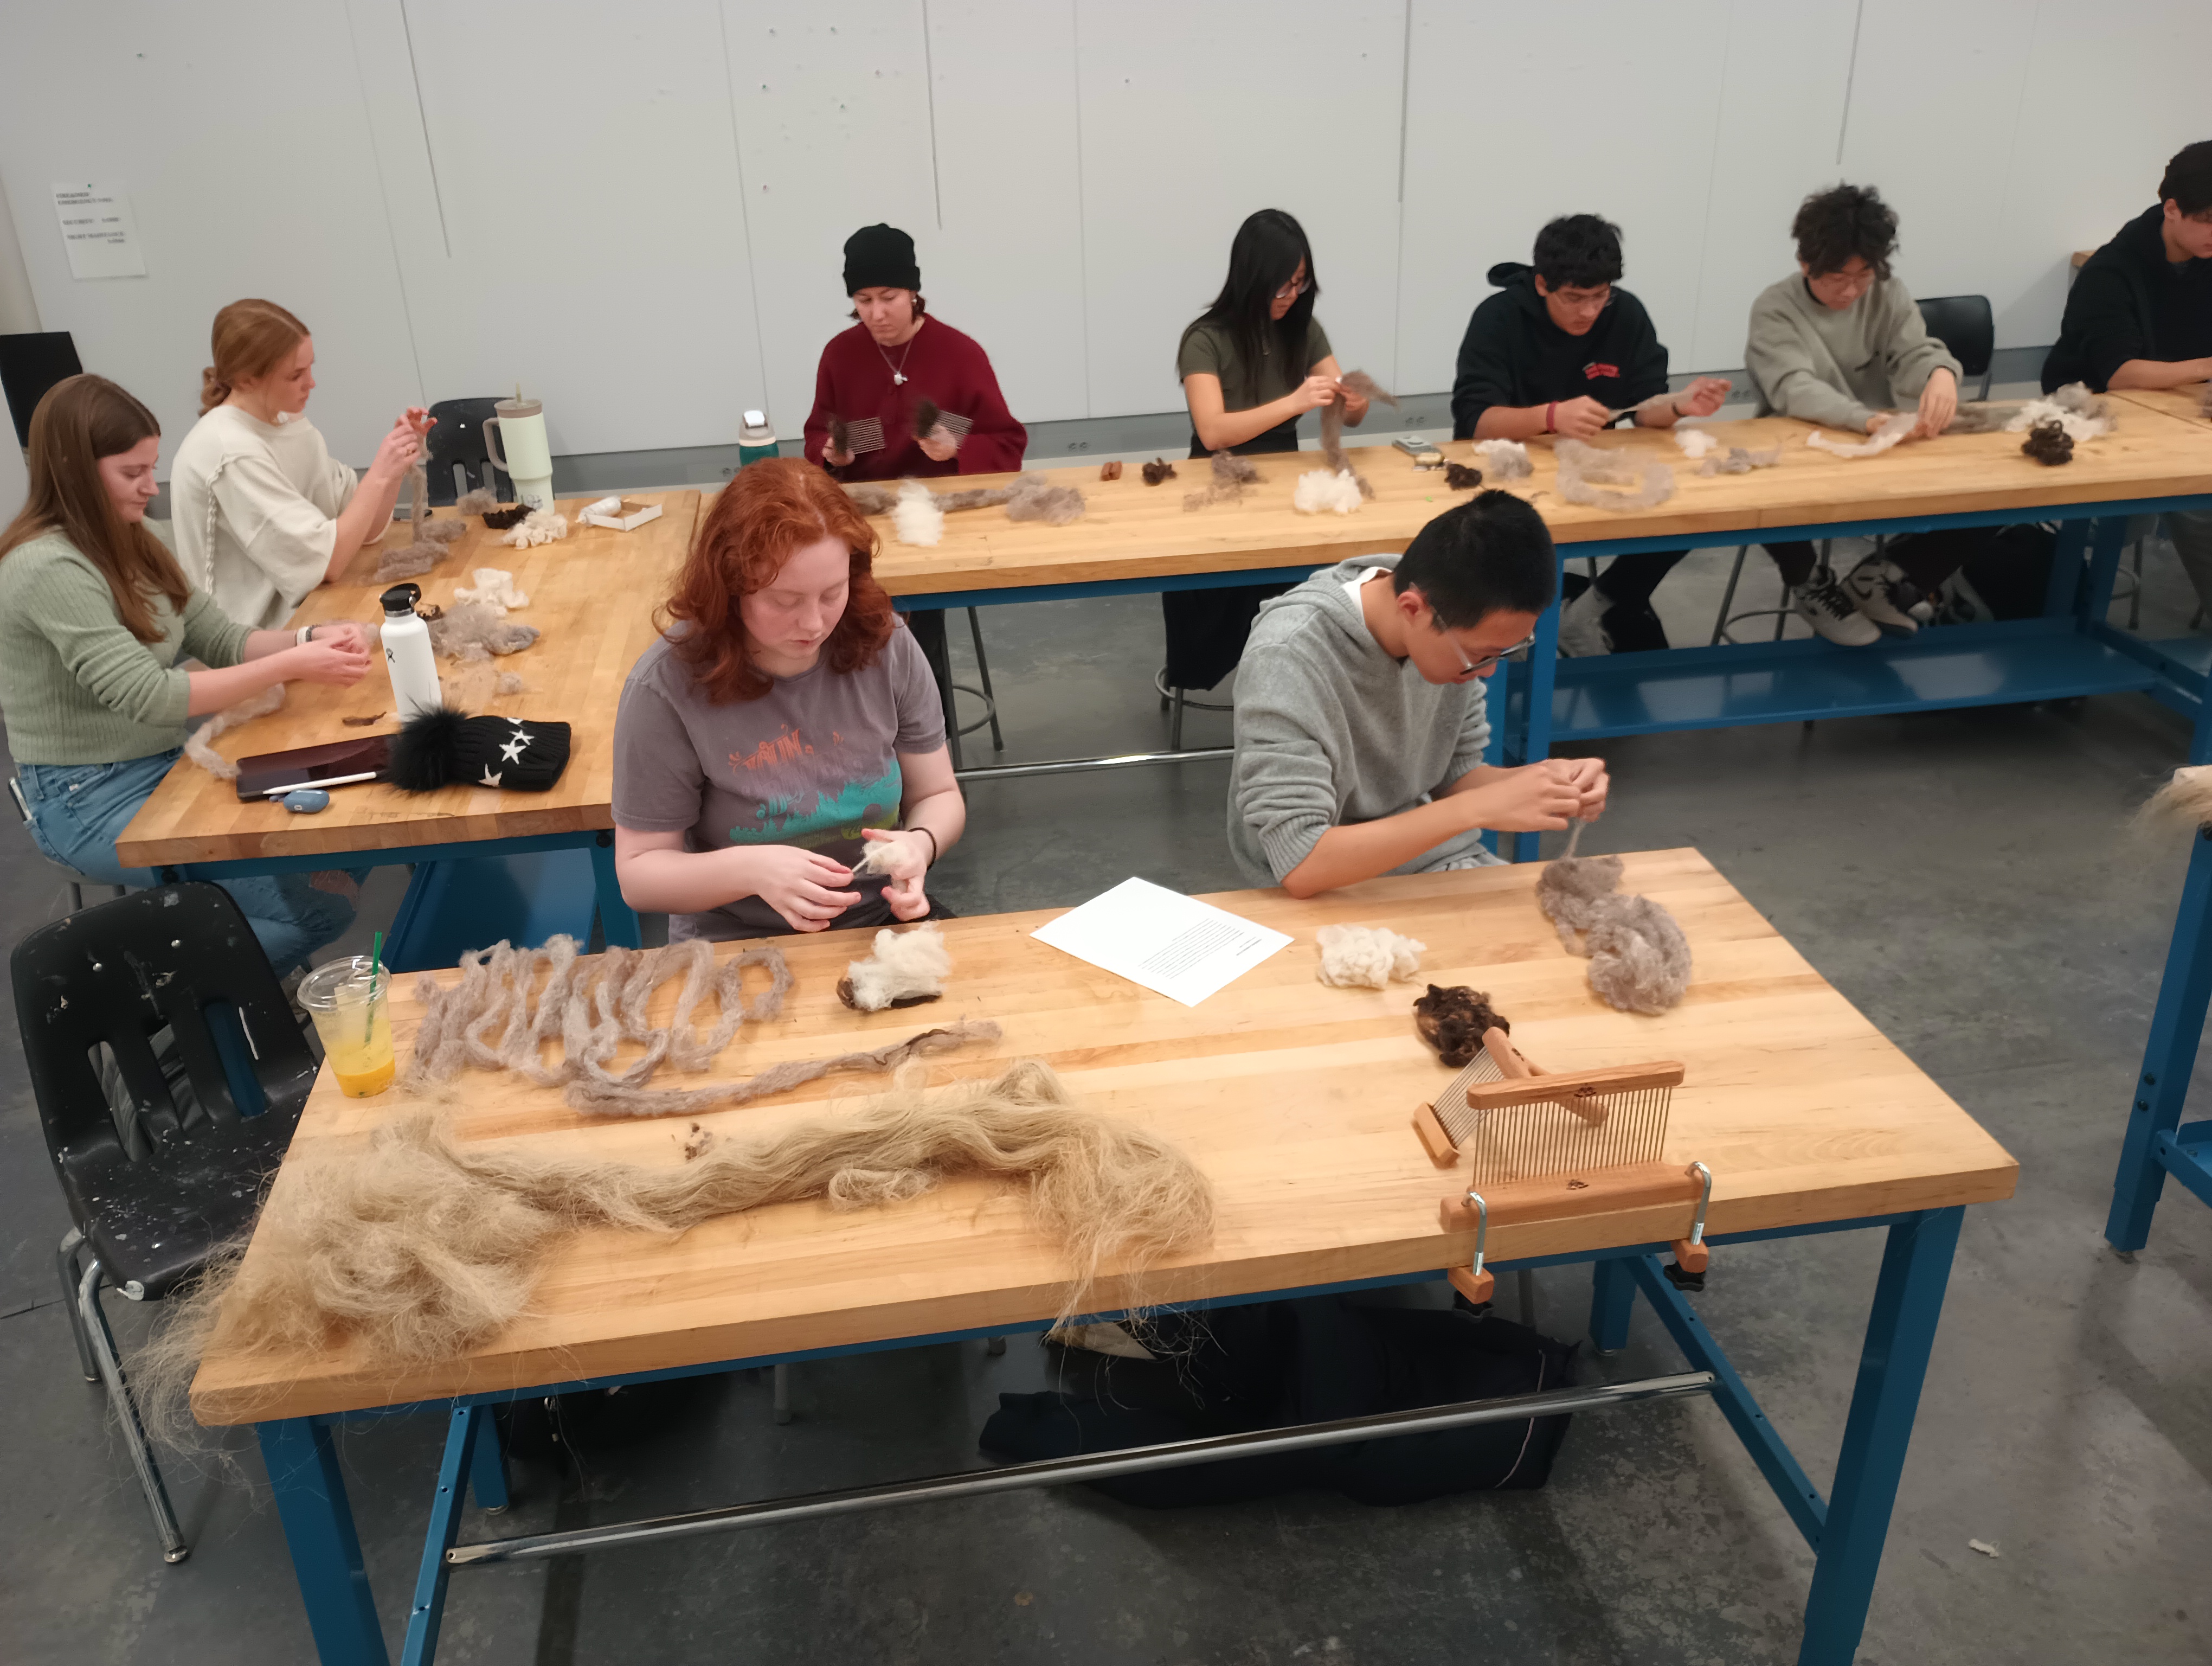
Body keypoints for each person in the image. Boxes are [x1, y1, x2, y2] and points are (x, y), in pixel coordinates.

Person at [0, 375, 371, 975]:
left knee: (339, 838)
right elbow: (152, 697)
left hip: (160, 765)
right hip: (88, 800)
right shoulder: (46, 568)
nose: (151, 487)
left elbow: (220, 638)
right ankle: (146, 1003)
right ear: (73, 470)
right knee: (314, 910)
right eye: (132, 472)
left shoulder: (132, 536)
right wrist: (293, 663)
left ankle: (215, 989)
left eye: (152, 467)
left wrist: (309, 637)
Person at [611, 457, 965, 939]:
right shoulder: (666, 687)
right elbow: (639, 874)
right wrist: (751, 870)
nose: (816, 624)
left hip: (875, 922)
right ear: (730, 586)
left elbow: (937, 794)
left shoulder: (885, 644)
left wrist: (920, 845)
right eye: (784, 600)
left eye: (832, 593)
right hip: (737, 938)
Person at [1227, 490, 1609, 896]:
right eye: (1481, 655)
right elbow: (1300, 862)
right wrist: (1474, 810)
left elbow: (1453, 773)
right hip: (1322, 887)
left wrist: (1544, 784)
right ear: (1413, 610)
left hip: (1432, 859)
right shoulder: (1288, 657)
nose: (1491, 670)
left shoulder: (1448, 613)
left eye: (1506, 652)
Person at [1450, 215, 1731, 656]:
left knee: (1687, 515)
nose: (1588, 311)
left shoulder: (1626, 314)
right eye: (1574, 298)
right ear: (1542, 284)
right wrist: (1551, 415)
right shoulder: (1499, 319)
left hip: (1592, 472)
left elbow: (1643, 410)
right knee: (1505, 547)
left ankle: (1593, 609)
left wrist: (1678, 406)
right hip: (1508, 477)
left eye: (1600, 297)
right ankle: (1518, 639)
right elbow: (1476, 422)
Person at [1745, 184, 1982, 647]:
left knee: (1997, 493)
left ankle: (1885, 576)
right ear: (1805, 262)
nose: (1851, 290)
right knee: (1768, 500)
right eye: (1837, 277)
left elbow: (1913, 350)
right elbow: (1796, 388)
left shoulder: (1888, 293)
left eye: (1864, 275)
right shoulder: (1775, 308)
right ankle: (1810, 583)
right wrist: (1867, 421)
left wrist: (1939, 373)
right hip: (1803, 445)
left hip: (1877, 441)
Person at [801, 223, 1026, 686]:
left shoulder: (959, 354)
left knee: (913, 627)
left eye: (890, 297)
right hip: (863, 523)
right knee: (843, 617)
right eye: (864, 301)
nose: (878, 314)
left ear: (914, 293)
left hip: (941, 523)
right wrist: (832, 456)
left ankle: (923, 726)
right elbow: (817, 436)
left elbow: (1006, 441)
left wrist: (958, 445)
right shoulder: (840, 356)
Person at [1168, 208, 1370, 695]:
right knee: (1222, 584)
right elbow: (1214, 431)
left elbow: (1342, 405)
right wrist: (1295, 401)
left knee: (1315, 578)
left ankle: (1298, 679)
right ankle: (1250, 673)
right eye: (1282, 285)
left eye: (1300, 283)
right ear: (1251, 278)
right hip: (1217, 480)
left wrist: (1354, 404)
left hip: (1286, 478)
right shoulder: (1204, 340)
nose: (1292, 296)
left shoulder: (1304, 328)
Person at [171, 298, 432, 631]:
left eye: (310, 368)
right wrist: (379, 473)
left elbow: (363, 531)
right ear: (247, 379)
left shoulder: (289, 424)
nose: (311, 383)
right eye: (295, 375)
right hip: (252, 646)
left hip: (309, 619)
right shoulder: (229, 452)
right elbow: (328, 564)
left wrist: (394, 468)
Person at [2044, 141, 2212, 614]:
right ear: (2173, 210)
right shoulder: (2111, 272)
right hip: (2096, 414)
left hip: (2180, 414)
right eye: (2210, 221)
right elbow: (2122, 374)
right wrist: (2206, 368)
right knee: (2193, 503)